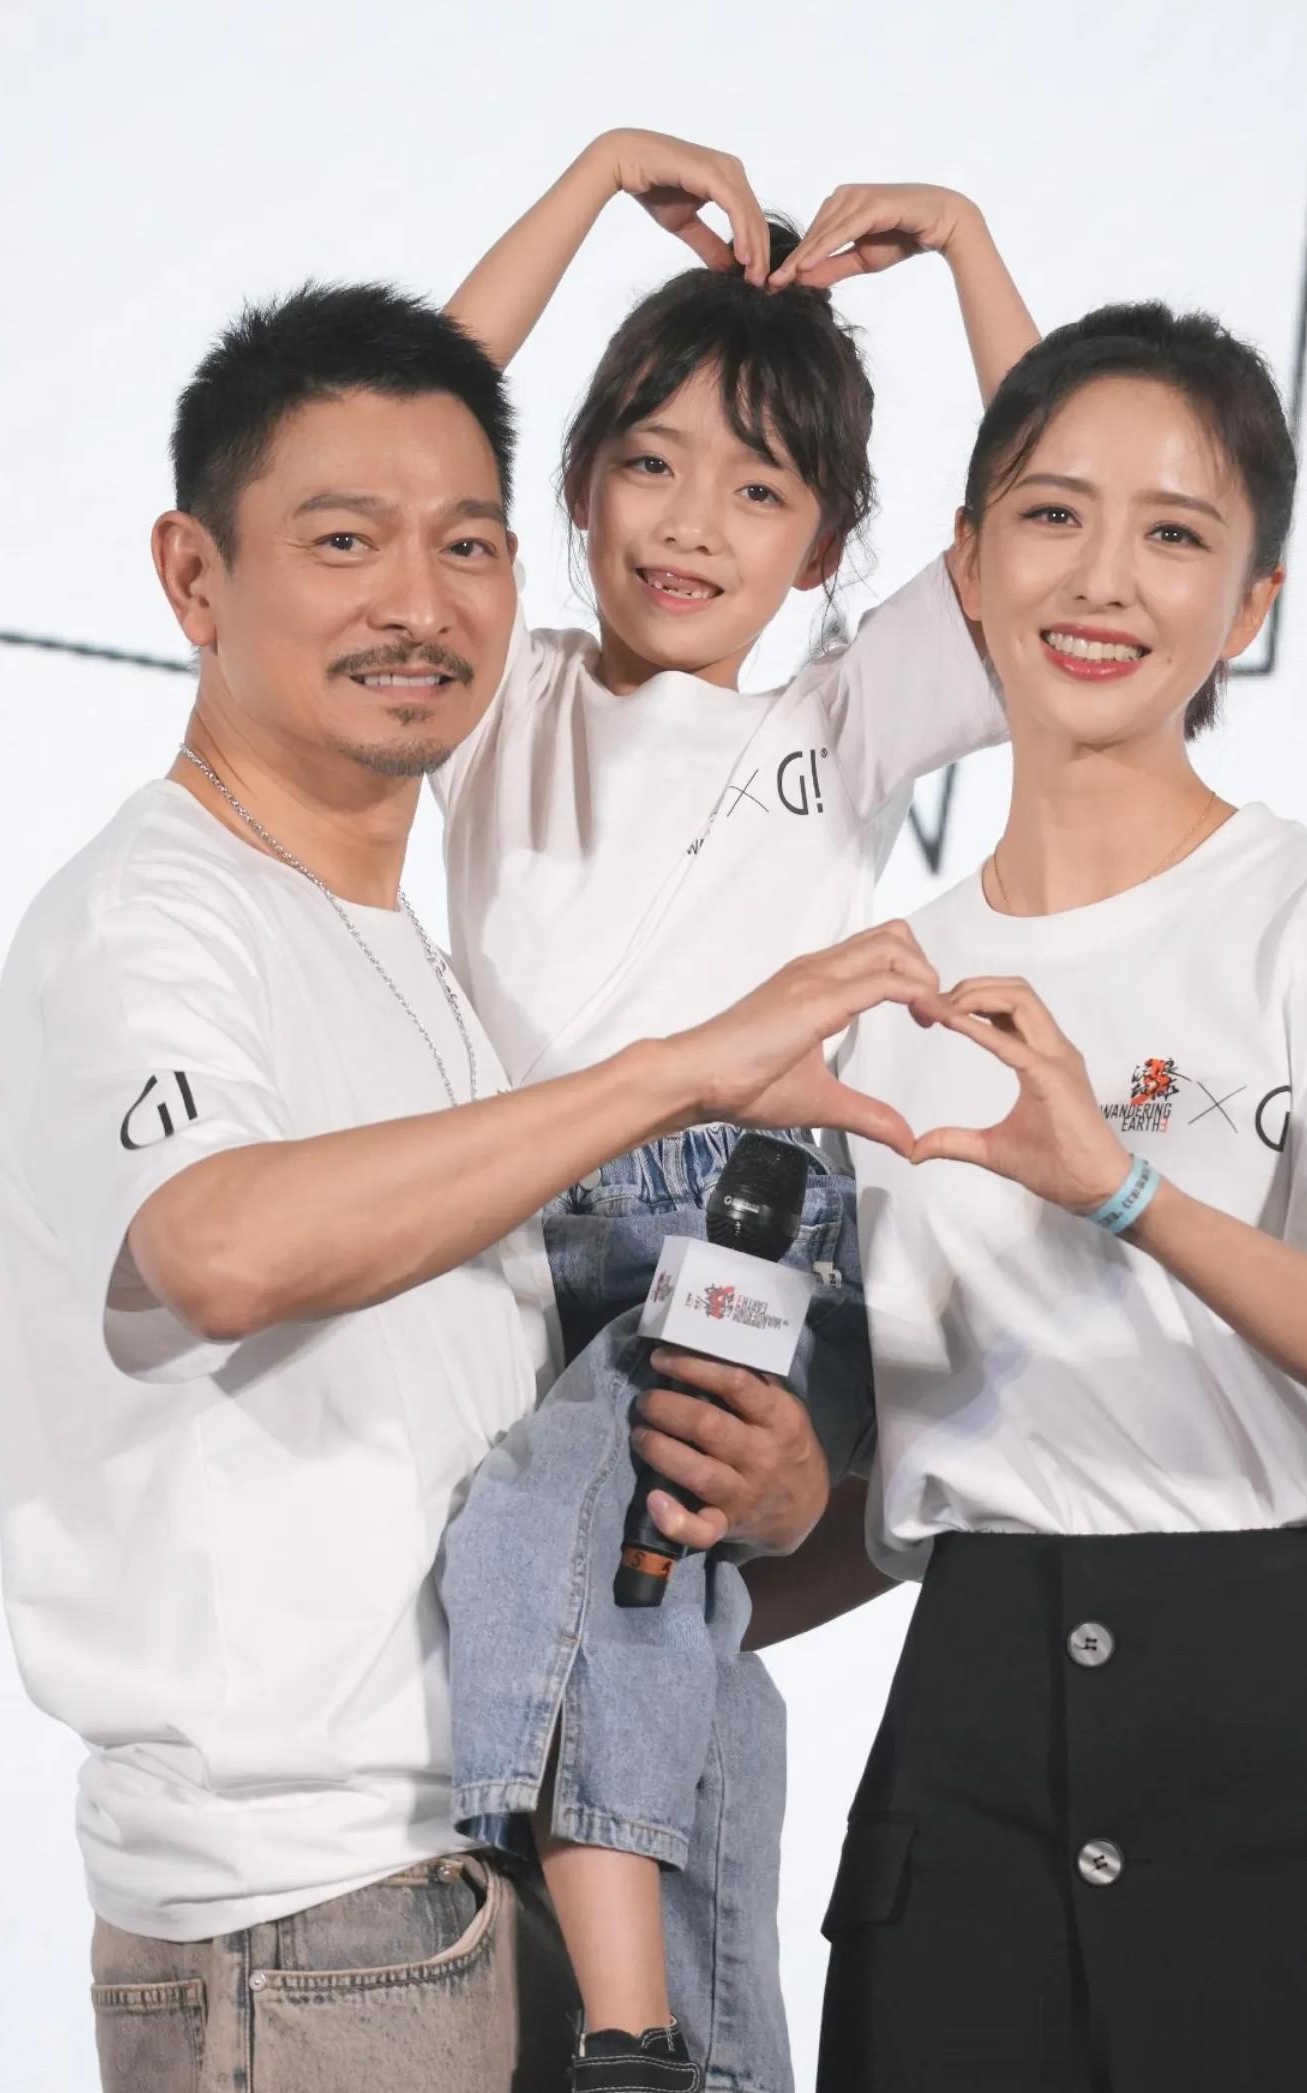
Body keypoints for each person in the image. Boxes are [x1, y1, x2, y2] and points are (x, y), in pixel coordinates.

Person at [0, 280, 928, 2093]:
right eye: (344, 541)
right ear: (193, 578)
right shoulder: (151, 920)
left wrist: (786, 1497)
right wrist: (678, 1068)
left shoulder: (423, 970)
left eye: (465, 545)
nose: (418, 601)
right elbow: (219, 1245)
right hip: (312, 1926)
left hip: (514, 1876)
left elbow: (597, 1557)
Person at [433, 130, 1037, 2091]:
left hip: (749, 1226)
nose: (694, 522)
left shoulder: (833, 724)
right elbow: (390, 433)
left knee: (575, 1511)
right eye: (653, 462)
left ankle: (617, 2032)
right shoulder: (503, 697)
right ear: (574, 483)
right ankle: (701, 2049)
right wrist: (595, 174)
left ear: (828, 546)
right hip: (521, 1239)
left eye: (760, 489)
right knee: (676, 1649)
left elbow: (1060, 525)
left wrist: (966, 243)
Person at [818, 301, 1307, 2092]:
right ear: (970, 563)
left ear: (1252, 609)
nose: (1103, 579)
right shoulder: (873, 989)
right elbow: (912, 1451)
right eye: (1053, 514)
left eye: (1177, 533)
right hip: (962, 1763)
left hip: (1289, 1753)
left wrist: (1126, 1189)